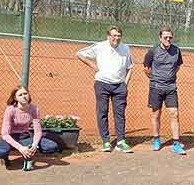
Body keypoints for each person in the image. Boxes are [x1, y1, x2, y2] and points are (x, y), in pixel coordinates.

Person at [77, 25, 133, 153]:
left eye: (119, 36)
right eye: (114, 36)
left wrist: (125, 83)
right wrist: (93, 65)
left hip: (119, 86)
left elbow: (130, 67)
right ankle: (106, 141)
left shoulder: (125, 48)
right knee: (102, 113)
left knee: (120, 115)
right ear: (108, 36)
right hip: (102, 84)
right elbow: (80, 54)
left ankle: (120, 142)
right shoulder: (100, 46)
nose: (116, 38)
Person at [143, 26, 185, 155]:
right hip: (156, 88)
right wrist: (156, 78)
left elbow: (177, 66)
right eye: (165, 37)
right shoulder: (152, 51)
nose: (168, 39)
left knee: (174, 114)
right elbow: (146, 68)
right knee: (156, 114)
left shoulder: (176, 50)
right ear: (160, 38)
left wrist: (170, 76)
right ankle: (156, 140)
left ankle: (176, 144)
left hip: (171, 88)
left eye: (170, 37)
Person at [0, 86, 59, 171]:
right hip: (10, 138)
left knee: (51, 146)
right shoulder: (10, 110)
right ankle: (5, 157)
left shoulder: (34, 108)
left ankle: (29, 154)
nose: (24, 96)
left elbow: (37, 132)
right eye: (20, 95)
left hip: (25, 137)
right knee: (0, 152)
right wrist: (20, 148)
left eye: (25, 93)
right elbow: (5, 134)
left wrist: (34, 145)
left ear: (29, 95)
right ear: (15, 98)